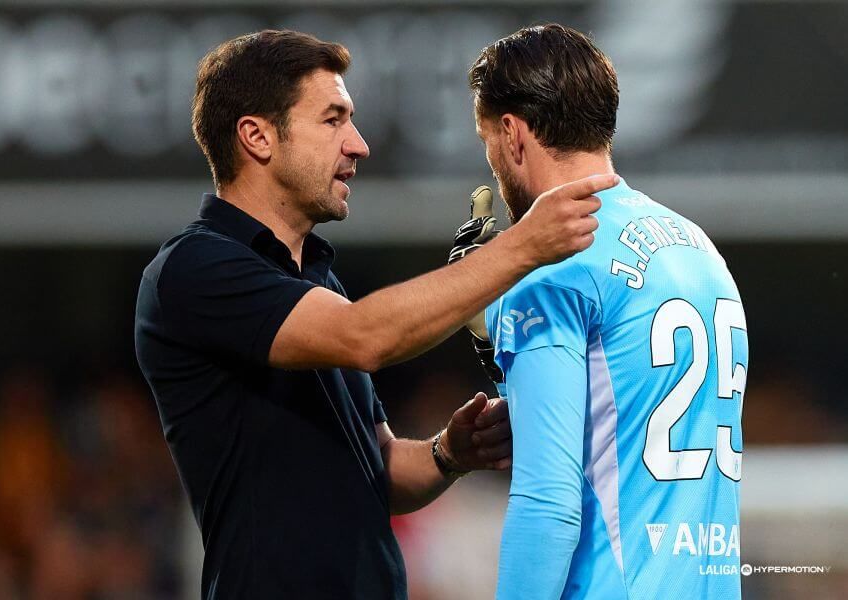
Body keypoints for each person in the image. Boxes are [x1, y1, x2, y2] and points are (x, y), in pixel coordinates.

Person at [134, 29, 617, 599]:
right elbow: (366, 336)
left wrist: (448, 454)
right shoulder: (195, 268)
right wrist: (522, 247)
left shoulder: (317, 280)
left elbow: (379, 467)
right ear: (257, 136)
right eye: (333, 119)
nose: (358, 144)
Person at [459, 23, 748, 599]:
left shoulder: (551, 266)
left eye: (487, 141)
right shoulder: (698, 248)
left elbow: (549, 502)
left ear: (513, 135)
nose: (493, 162)